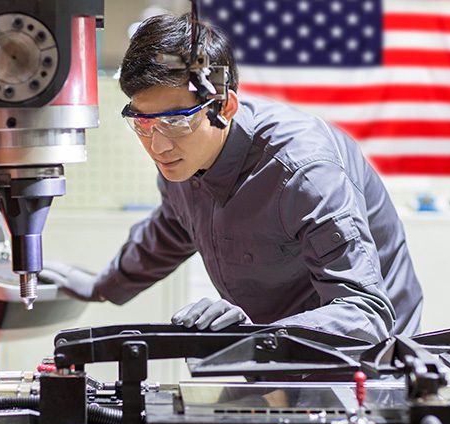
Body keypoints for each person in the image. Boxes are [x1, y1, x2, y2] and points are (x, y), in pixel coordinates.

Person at [41, 13, 422, 343]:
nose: (157, 146)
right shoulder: (182, 161)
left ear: (225, 106)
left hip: (367, 361)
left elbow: (364, 313)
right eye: (141, 123)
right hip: (274, 347)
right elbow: (171, 229)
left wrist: (256, 336)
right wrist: (102, 286)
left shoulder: (304, 173)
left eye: (175, 122)